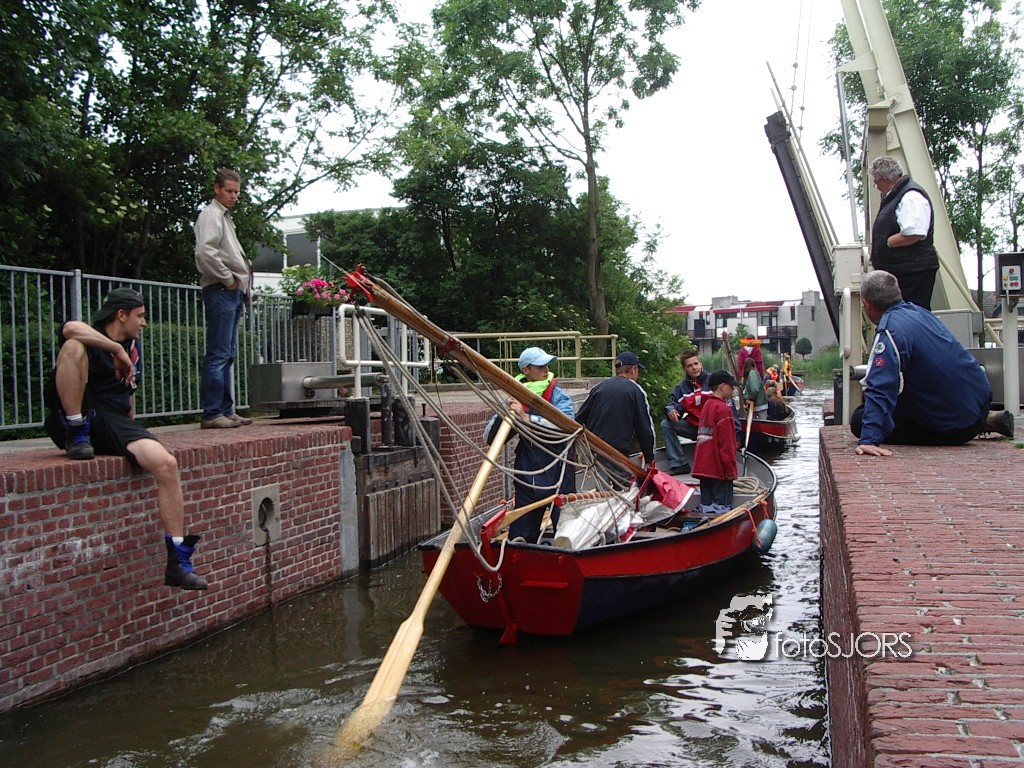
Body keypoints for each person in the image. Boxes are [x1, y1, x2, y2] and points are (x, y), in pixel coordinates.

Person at [43, 288, 209, 590]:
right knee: (73, 346)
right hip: (78, 418)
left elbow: (127, 397)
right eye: (140, 316)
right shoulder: (90, 336)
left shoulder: (134, 347)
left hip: (113, 422)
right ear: (121, 314)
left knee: (166, 464)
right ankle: (76, 429)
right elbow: (69, 328)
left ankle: (177, 561)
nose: (144, 322)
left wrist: (134, 432)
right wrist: (115, 350)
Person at [851, 270, 1014, 457]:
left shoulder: (890, 332)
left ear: (867, 304)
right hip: (980, 401)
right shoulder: (920, 313)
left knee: (859, 418)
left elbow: (881, 385)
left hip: (956, 427)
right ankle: (985, 419)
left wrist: (869, 439)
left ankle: (971, 425)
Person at [487, 347, 576, 542]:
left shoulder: (559, 396)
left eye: (547, 365)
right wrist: (505, 412)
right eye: (540, 366)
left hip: (559, 470)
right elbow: (489, 437)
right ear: (526, 370)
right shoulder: (513, 398)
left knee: (568, 534)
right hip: (528, 472)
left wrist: (527, 418)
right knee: (522, 536)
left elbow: (566, 425)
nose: (546, 369)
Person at [195, 167, 253, 430]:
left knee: (227, 353)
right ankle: (212, 412)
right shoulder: (211, 215)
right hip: (222, 289)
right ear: (217, 189)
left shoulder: (223, 217)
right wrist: (228, 279)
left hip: (230, 289)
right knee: (219, 353)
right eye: (229, 191)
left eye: (236, 192)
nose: (233, 196)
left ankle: (225, 410)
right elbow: (205, 252)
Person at [868, 155, 940, 310]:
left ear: (884, 180)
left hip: (912, 273)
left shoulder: (911, 197)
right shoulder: (897, 196)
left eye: (876, 182)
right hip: (904, 271)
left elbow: (915, 233)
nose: (876, 186)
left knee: (911, 313)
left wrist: (888, 243)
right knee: (903, 314)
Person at [576, 351, 656, 483]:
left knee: (601, 487)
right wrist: (649, 458)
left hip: (594, 448)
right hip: (618, 453)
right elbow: (644, 429)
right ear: (633, 369)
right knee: (625, 487)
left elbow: (579, 418)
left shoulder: (599, 387)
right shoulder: (636, 390)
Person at [692, 370, 741, 512]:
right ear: (722, 386)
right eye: (731, 386)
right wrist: (730, 471)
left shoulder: (707, 406)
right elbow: (727, 444)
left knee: (706, 509)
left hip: (703, 469)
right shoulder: (724, 410)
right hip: (719, 471)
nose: (733, 390)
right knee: (721, 510)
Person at [660, 349, 711, 473]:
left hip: (712, 428)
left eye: (696, 364)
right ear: (684, 369)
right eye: (689, 366)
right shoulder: (681, 388)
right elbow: (673, 404)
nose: (694, 368)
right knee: (666, 424)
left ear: (701, 364)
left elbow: (729, 408)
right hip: (694, 428)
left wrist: (736, 434)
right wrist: (671, 411)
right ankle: (679, 464)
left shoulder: (713, 382)